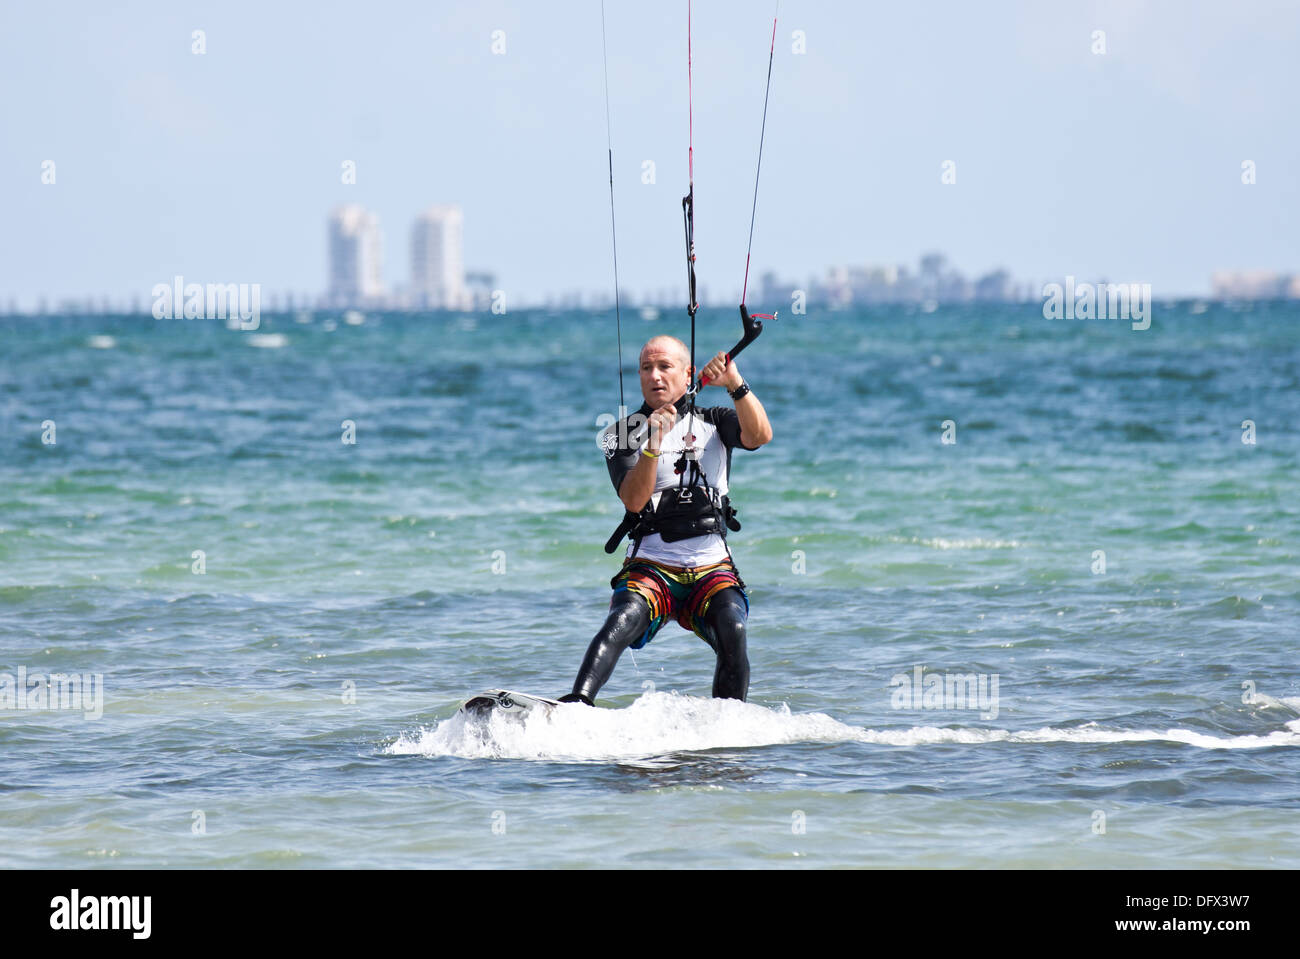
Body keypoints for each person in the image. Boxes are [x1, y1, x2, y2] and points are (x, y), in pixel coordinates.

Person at [559, 334, 773, 705]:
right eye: (646, 368)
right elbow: (633, 499)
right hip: (652, 565)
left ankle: (730, 723)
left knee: (733, 628)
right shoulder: (620, 434)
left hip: (711, 568)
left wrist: (734, 383)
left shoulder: (716, 422)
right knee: (620, 621)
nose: (654, 376)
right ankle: (577, 704)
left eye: (664, 367)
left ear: (688, 374)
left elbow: (759, 436)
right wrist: (654, 443)